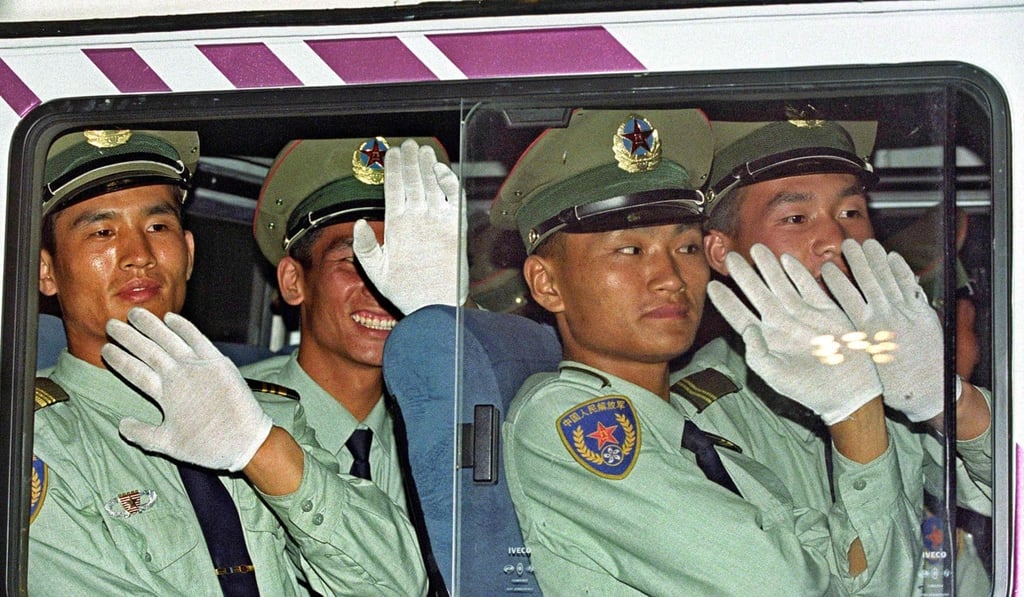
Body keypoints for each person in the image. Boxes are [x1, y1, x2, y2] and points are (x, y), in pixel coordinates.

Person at [496, 108, 922, 594]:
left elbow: (871, 581)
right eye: (630, 251)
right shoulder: (570, 422)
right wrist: (855, 411)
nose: (670, 279)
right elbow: (784, 587)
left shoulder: (702, 442)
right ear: (547, 284)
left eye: (687, 249)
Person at [30, 128, 428, 594]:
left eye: (158, 227)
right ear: (46, 271)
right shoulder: (35, 441)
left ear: (190, 254)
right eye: (102, 231)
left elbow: (397, 584)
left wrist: (260, 448)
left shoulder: (261, 414)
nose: (139, 256)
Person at [680, 117, 992, 593]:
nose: (836, 240)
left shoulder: (895, 366)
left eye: (851, 213)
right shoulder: (699, 421)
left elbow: (1002, 495)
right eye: (795, 218)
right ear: (721, 252)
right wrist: (854, 411)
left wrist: (947, 400)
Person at [241, 136, 463, 594]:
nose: (382, 289)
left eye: (398, 265)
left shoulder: (451, 426)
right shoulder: (235, 418)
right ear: (293, 280)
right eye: (352, 262)